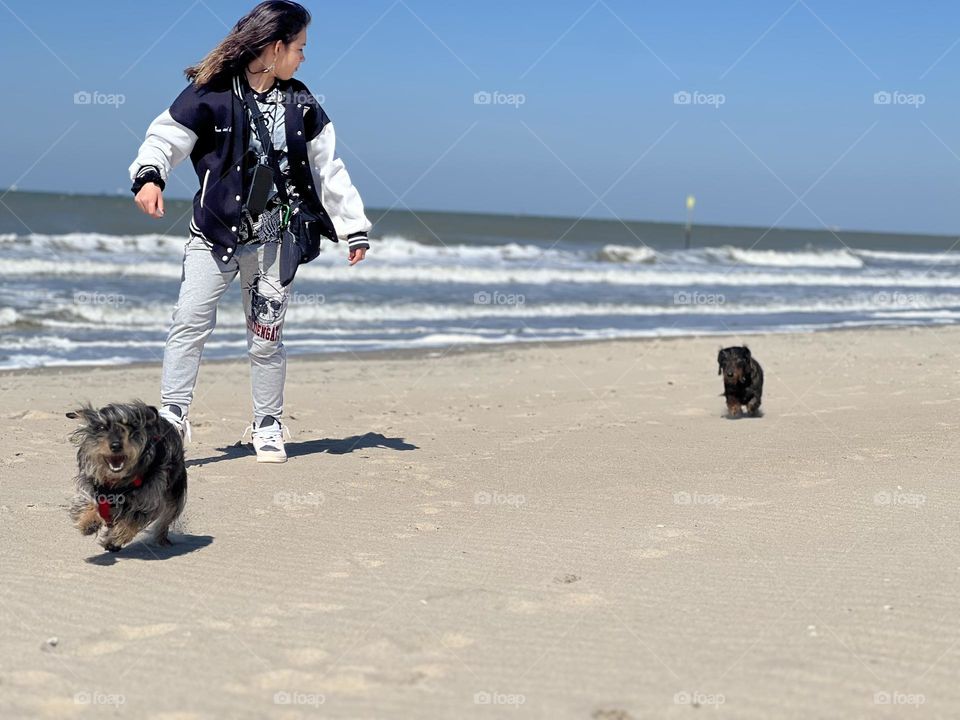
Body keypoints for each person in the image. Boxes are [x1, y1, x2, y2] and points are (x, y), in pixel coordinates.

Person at [128, 0, 371, 463]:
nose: (303, 57)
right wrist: (149, 175)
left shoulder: (302, 103)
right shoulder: (211, 93)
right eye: (299, 47)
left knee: (267, 338)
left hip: (276, 242)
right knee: (189, 324)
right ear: (276, 48)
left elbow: (329, 169)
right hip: (213, 236)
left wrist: (353, 227)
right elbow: (165, 137)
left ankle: (267, 423)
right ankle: (173, 419)